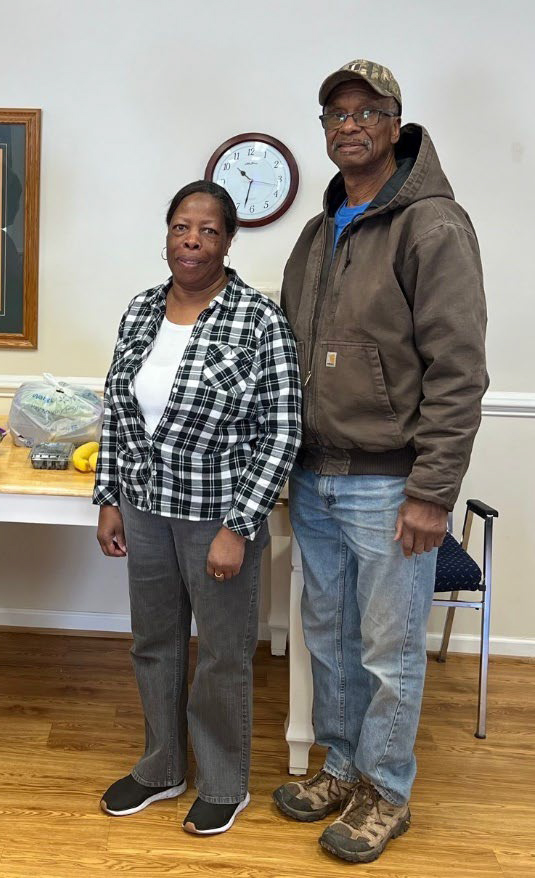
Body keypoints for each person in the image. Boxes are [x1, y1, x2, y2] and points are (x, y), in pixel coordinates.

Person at [272, 60, 488, 864]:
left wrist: (432, 492)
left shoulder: (431, 225)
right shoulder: (316, 229)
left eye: (366, 111)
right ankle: (340, 765)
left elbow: (459, 371)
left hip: (390, 482)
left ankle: (386, 793)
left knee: (387, 650)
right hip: (314, 476)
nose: (348, 124)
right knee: (326, 638)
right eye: (333, 112)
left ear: (395, 123)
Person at [94, 181, 301, 835]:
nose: (191, 240)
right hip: (145, 509)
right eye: (181, 227)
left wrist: (238, 527)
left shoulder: (257, 319)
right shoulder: (138, 311)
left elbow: (281, 430)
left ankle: (221, 781)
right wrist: (109, 498)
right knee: (153, 644)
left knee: (220, 653)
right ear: (166, 235)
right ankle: (161, 768)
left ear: (228, 241)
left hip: (216, 517)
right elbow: (116, 415)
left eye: (208, 230)